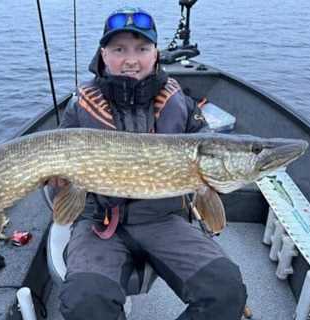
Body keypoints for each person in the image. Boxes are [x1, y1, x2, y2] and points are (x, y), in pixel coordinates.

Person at [54, 7, 247, 320]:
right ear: (103, 55)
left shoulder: (181, 104)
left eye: (142, 49)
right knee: (85, 303)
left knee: (225, 291)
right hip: (97, 220)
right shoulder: (80, 107)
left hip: (164, 218)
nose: (131, 60)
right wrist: (58, 182)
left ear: (156, 53)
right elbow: (59, 190)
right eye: (119, 50)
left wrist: (211, 183)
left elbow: (208, 157)